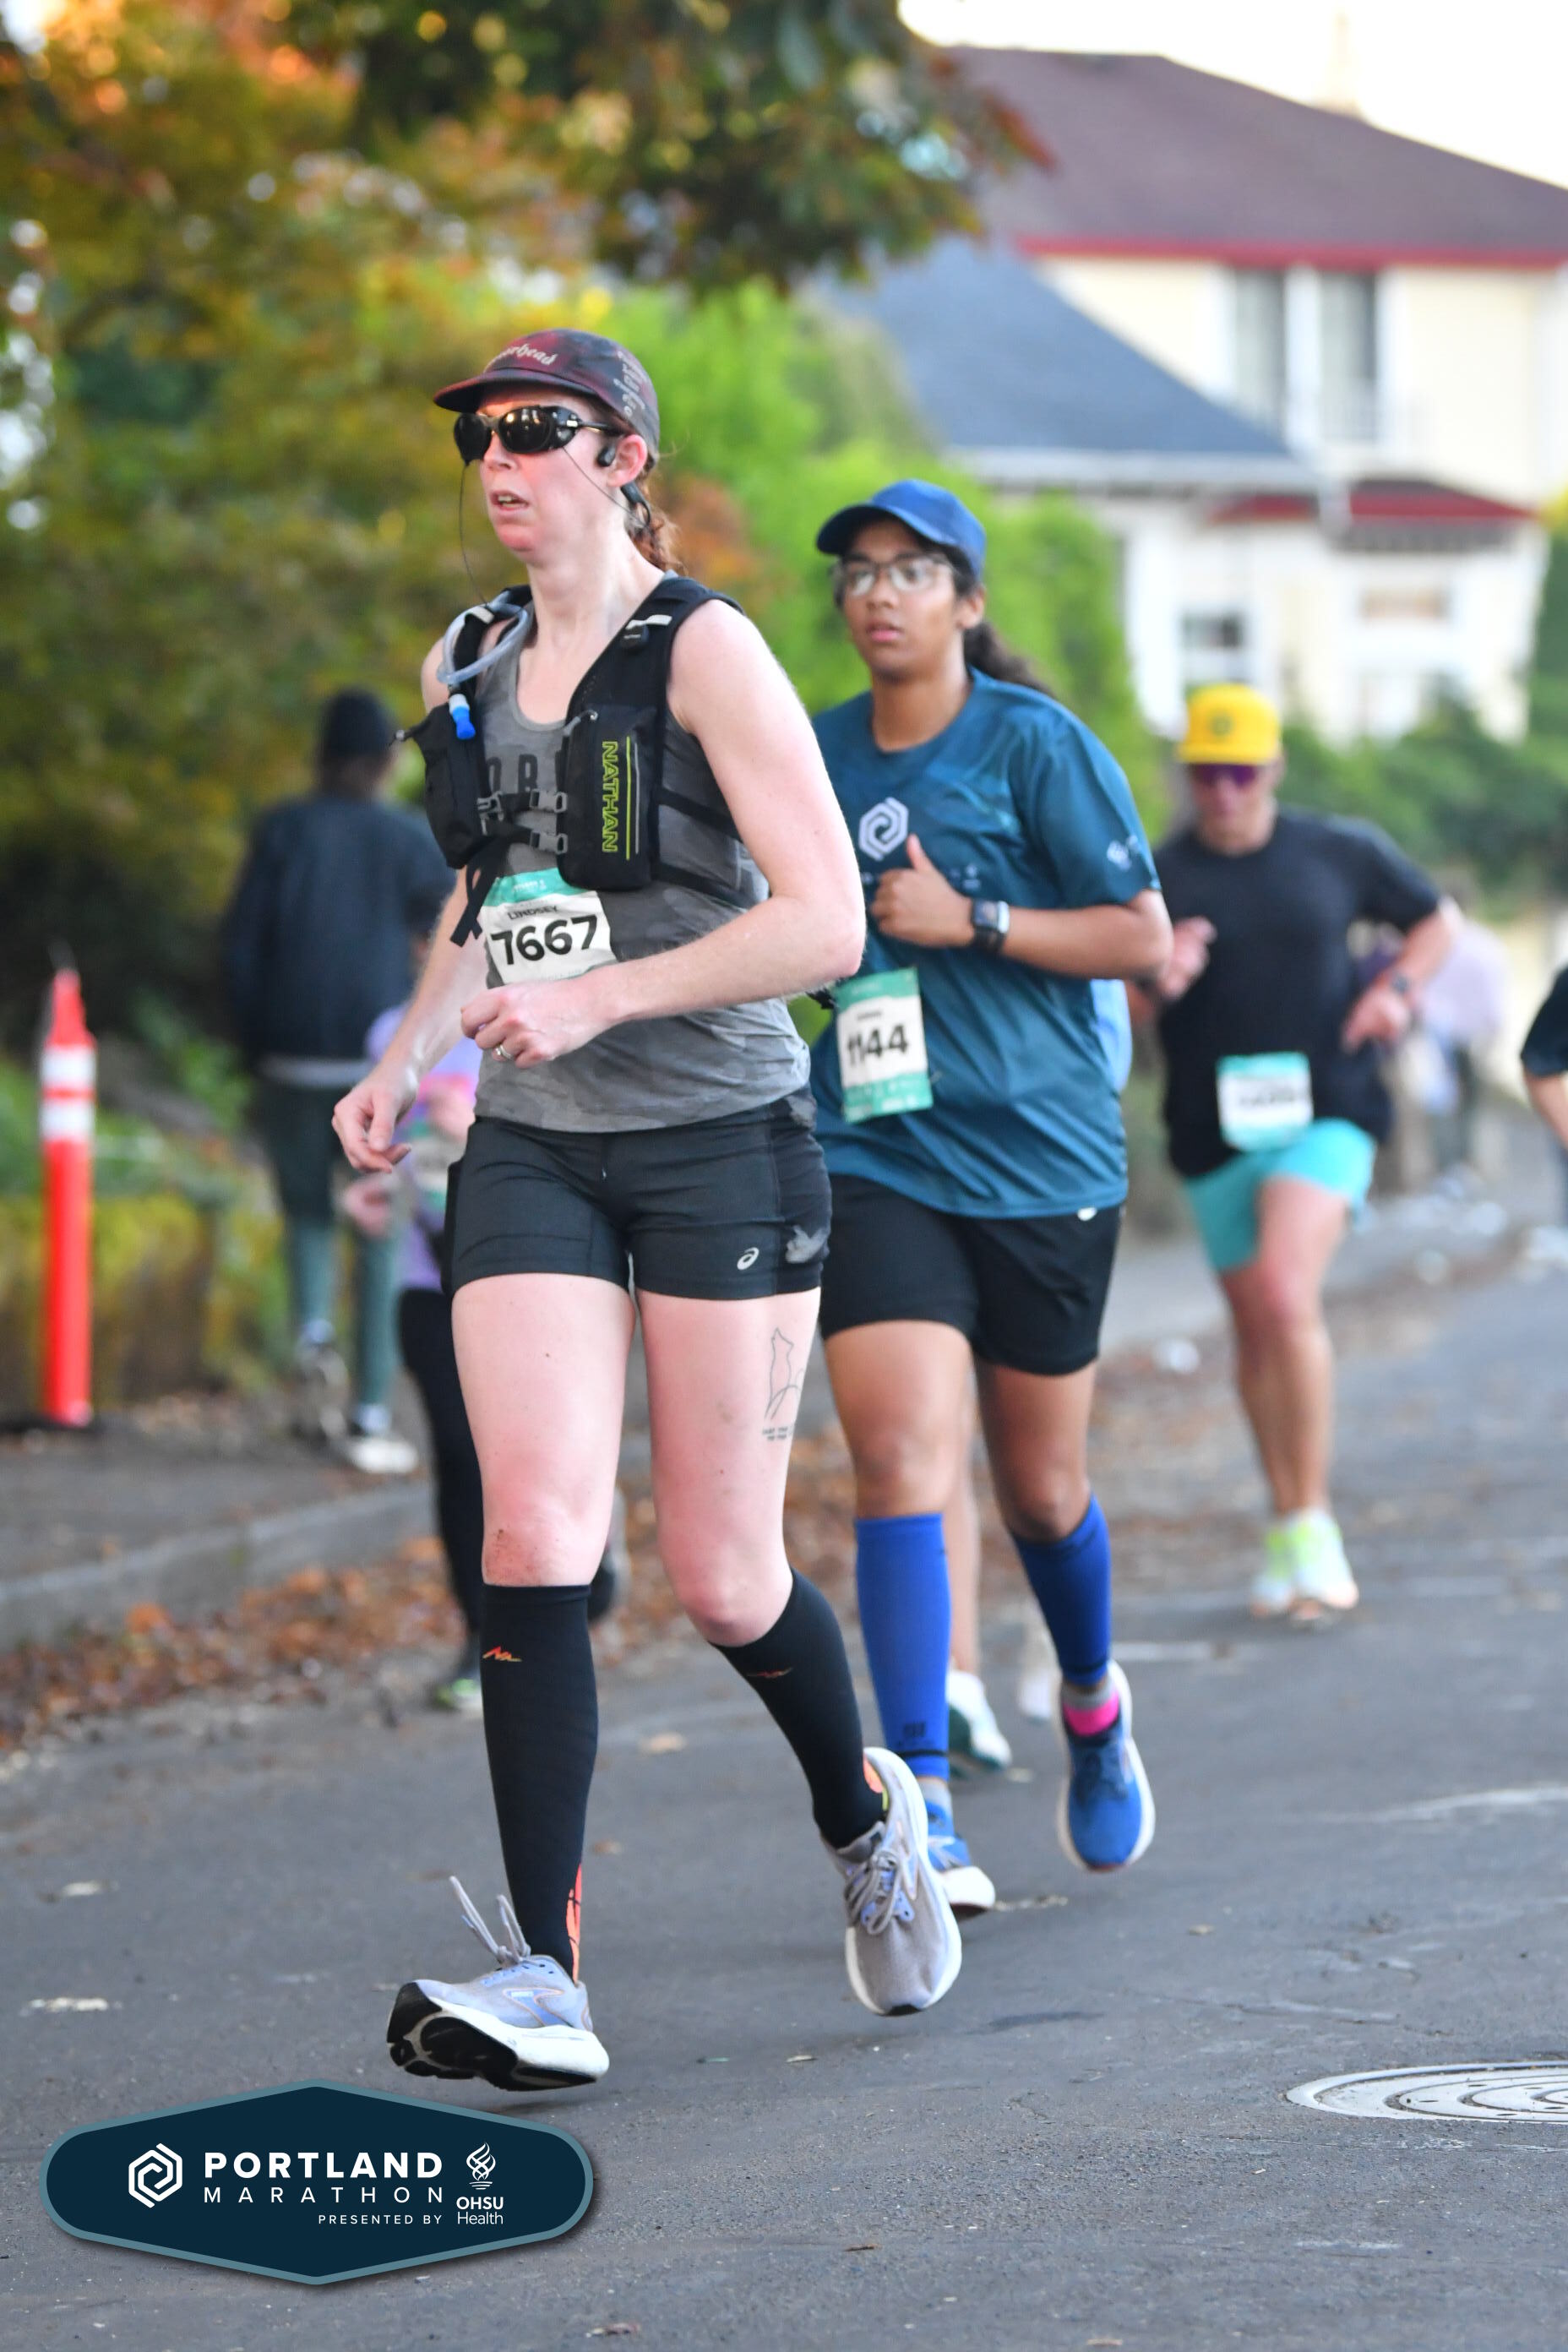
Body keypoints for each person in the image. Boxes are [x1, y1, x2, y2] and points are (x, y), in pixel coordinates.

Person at [333, 330, 962, 2095]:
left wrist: (604, 995)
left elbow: (826, 920)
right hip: (533, 1143)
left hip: (718, 1140)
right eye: (478, 433)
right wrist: (404, 1054)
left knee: (723, 1573)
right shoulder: (467, 657)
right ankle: (545, 1972)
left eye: (536, 429)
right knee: (533, 1531)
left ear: (622, 459)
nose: (498, 458)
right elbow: (484, 886)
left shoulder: (707, 650)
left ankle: (866, 1817)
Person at [807, 478, 1172, 1917]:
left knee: (1039, 1488)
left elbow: (1139, 933)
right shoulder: (812, 751)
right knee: (900, 1457)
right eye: (858, 573)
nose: (879, 593)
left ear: (966, 600)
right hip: (877, 1147)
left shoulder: (1035, 744)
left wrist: (976, 920)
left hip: (1042, 1160)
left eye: (911, 571)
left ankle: (1091, 1697)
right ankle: (922, 1799)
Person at [1130, 683, 1459, 1620]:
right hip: (1212, 1128)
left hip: (1328, 1107)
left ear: (1272, 768)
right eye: (1207, 774)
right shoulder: (1156, 876)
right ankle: (1284, 1521)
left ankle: (1314, 1521)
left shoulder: (1338, 850)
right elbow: (1117, 1007)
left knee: (1282, 1291)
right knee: (1254, 1325)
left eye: (1241, 773)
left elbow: (1435, 921)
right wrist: (1159, 977)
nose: (1224, 792)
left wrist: (1395, 992)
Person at [222, 689, 450, 1472]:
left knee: (306, 1214)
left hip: (289, 1059)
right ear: (386, 761)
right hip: (375, 1064)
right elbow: (451, 934)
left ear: (321, 756)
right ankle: (369, 1412)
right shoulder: (406, 840)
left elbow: (240, 948)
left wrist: (256, 1045)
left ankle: (315, 1336)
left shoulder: (281, 831)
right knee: (379, 1227)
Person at [946, 977, 1135, 1765]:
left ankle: (1068, 1648)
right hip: (897, 1147)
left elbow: (1128, 960)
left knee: (1041, 1484)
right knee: (919, 1438)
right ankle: (950, 1686)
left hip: (1041, 1155)